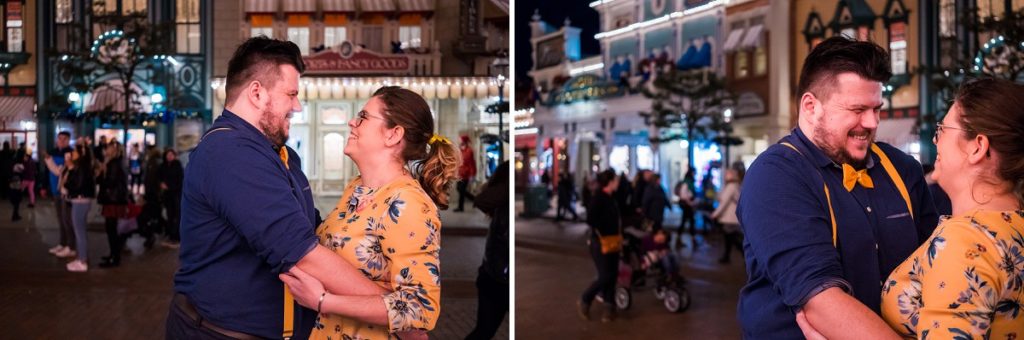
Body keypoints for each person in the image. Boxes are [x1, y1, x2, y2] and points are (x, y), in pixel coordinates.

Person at [167, 37, 411, 340]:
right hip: (220, 333)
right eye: (291, 94)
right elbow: (302, 253)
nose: (297, 106)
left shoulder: (279, 153)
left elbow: (313, 230)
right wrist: (399, 315)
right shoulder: (230, 153)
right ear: (257, 92)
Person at [736, 36, 939, 339]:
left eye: (876, 109)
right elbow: (820, 299)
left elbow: (936, 268)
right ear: (810, 106)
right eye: (857, 109)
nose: (871, 123)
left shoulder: (902, 168)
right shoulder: (775, 175)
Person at [797, 78, 1024, 339]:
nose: (936, 141)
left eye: (943, 130)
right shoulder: (1012, 225)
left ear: (977, 147)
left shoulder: (963, 242)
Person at [279, 86, 456, 339]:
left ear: (393, 135)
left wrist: (323, 301)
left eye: (363, 116)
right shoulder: (357, 187)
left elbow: (419, 308)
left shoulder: (407, 202)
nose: (352, 122)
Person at [466, 161, 509, 340]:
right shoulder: (502, 201)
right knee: (484, 331)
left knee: (484, 331)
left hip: (497, 276)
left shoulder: (504, 205)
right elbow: (481, 200)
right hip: (495, 279)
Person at [578, 169, 622, 323]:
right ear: (610, 181)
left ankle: (609, 308)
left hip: (614, 241)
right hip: (600, 242)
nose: (618, 182)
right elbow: (591, 219)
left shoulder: (612, 197)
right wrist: (603, 229)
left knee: (613, 274)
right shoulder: (599, 198)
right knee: (606, 275)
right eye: (616, 179)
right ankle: (586, 298)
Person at [60, 143, 95, 272]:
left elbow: (76, 184)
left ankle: (82, 260)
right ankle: (81, 257)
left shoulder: (81, 168)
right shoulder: (84, 167)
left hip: (80, 201)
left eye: (75, 151)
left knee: (79, 231)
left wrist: (68, 182)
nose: (72, 153)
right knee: (80, 230)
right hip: (80, 200)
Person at [97, 141, 131, 268]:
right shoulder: (116, 162)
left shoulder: (113, 163)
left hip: (113, 200)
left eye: (109, 148)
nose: (106, 150)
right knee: (111, 229)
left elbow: (110, 182)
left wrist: (101, 173)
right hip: (114, 199)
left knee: (111, 229)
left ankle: (115, 257)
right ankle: (113, 254)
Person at [44, 131, 75, 257]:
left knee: (67, 219)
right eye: (59, 138)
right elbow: (48, 172)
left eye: (64, 139)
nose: (61, 141)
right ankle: (62, 244)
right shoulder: (52, 151)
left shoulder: (71, 153)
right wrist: (45, 186)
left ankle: (70, 246)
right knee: (60, 219)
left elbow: (62, 171)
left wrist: (49, 161)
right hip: (54, 189)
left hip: (65, 190)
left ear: (68, 140)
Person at [712, 162, 743, 263]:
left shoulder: (731, 187)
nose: (725, 175)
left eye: (726, 174)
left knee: (732, 239)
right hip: (732, 218)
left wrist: (715, 214)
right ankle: (727, 257)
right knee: (730, 238)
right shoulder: (735, 186)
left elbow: (724, 202)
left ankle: (745, 255)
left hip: (730, 218)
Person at [159, 148, 184, 248]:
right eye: (167, 155)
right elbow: (159, 176)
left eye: (171, 155)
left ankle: (176, 237)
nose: (169, 156)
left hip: (176, 194)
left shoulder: (177, 166)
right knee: (169, 215)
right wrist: (161, 183)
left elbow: (180, 181)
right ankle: (170, 235)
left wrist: (170, 186)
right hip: (167, 195)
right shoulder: (163, 166)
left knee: (176, 216)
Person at [674, 167, 697, 247]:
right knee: (690, 221)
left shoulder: (689, 182)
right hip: (687, 205)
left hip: (687, 204)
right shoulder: (687, 182)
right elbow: (684, 195)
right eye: (694, 172)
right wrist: (690, 202)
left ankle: (680, 239)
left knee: (687, 221)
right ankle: (692, 240)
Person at [455, 134, 477, 212]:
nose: (459, 141)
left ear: (464, 141)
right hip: (460, 174)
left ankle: (461, 207)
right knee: (459, 189)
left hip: (466, 175)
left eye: (460, 140)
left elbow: (472, 164)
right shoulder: (460, 150)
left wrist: (472, 175)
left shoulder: (469, 151)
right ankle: (474, 199)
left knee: (461, 190)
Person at [9, 156, 23, 221]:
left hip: (12, 189)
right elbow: (22, 171)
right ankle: (15, 216)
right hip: (17, 189)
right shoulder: (20, 166)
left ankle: (16, 215)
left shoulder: (13, 167)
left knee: (16, 204)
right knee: (17, 203)